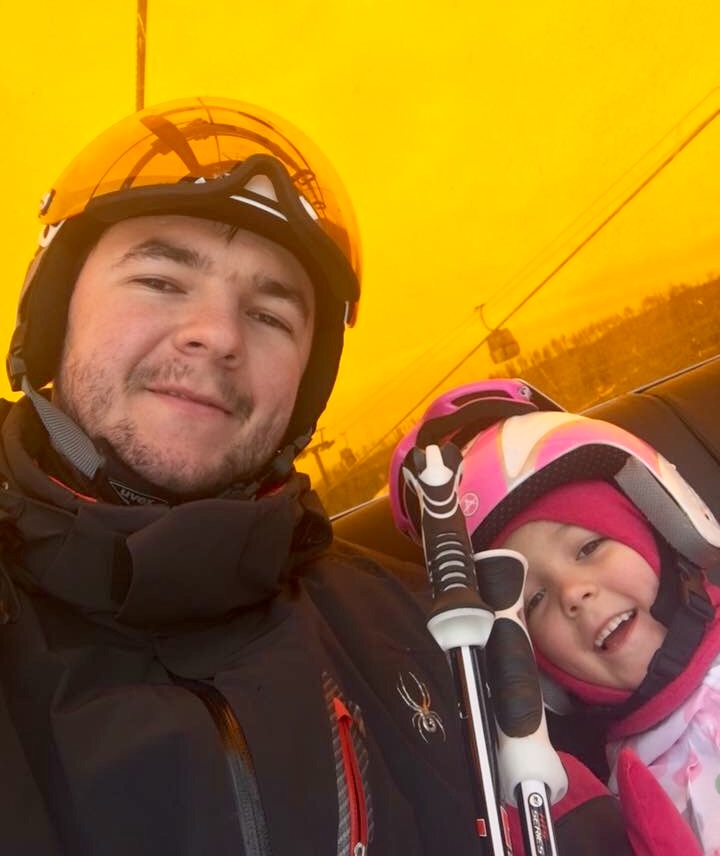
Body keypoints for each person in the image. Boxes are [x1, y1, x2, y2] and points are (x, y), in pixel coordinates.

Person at [0, 96, 489, 855]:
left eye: (270, 316)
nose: (219, 335)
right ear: (57, 310)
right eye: (161, 280)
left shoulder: (408, 621)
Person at [390, 382, 720, 854]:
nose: (573, 594)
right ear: (531, 662)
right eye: (536, 600)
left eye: (589, 548)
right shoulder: (599, 808)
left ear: (664, 528)